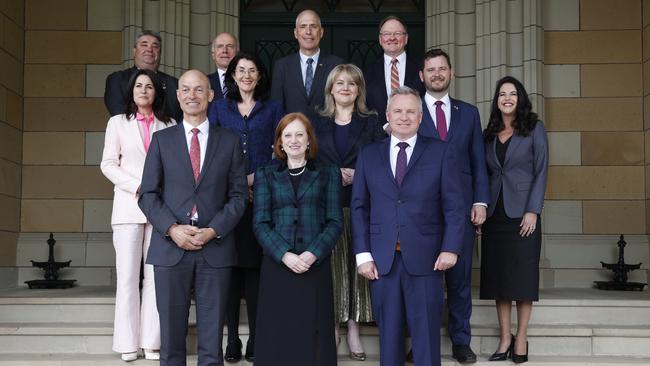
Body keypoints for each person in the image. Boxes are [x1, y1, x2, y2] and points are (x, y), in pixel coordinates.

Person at [138, 69, 248, 366]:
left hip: (215, 248)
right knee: (172, 342)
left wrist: (213, 230)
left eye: (199, 90)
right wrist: (172, 228)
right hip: (170, 248)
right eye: (185, 90)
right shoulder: (162, 141)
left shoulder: (230, 141)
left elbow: (239, 197)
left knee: (211, 342)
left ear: (211, 95)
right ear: (177, 96)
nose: (192, 95)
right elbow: (147, 194)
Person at [351, 87, 465, 366]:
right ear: (388, 115)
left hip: (427, 258)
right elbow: (359, 207)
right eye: (398, 111)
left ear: (420, 116)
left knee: (426, 334)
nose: (404, 117)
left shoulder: (441, 152)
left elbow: (454, 206)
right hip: (382, 260)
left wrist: (451, 248)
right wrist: (363, 255)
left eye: (411, 111)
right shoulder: (368, 154)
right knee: (388, 336)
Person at [208, 52, 283, 363]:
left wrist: (254, 180)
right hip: (226, 202)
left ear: (260, 76)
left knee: (254, 273)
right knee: (229, 272)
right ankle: (232, 340)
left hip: (261, 200)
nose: (247, 75)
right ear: (233, 76)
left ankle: (255, 337)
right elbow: (211, 150)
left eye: (253, 70)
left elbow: (282, 148)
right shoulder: (219, 109)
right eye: (241, 70)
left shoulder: (274, 108)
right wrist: (239, 183)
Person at [417, 48, 490, 364]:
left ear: (451, 72)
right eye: (430, 69)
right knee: (423, 282)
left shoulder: (468, 113)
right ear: (421, 76)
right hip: (421, 212)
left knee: (459, 280)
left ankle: (461, 341)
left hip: (460, 210)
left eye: (441, 69)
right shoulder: (409, 110)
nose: (436, 74)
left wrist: (480, 200)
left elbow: (478, 162)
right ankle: (421, 341)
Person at [253, 112, 343, 366]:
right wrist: (285, 254)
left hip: (314, 264)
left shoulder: (328, 172)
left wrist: (311, 254)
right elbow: (260, 222)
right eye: (287, 135)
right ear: (279, 142)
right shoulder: (265, 174)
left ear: (308, 140)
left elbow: (335, 220)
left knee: (312, 333)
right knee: (277, 333)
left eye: (299, 134)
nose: (293, 140)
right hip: (278, 264)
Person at [100, 69, 175, 362]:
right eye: (139, 86)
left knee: (156, 276)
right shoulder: (117, 122)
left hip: (159, 210)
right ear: (131, 91)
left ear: (157, 93)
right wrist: (139, 186)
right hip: (128, 207)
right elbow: (107, 164)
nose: (144, 90)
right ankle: (127, 343)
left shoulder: (168, 124)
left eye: (149, 87)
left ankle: (151, 341)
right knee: (129, 278)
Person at [312, 63, 385, 361]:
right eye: (339, 83)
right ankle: (333, 325)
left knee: (357, 267)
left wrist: (359, 173)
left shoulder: (371, 122)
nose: (345, 88)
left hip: (361, 203)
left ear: (359, 90)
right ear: (330, 89)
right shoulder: (316, 122)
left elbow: (382, 160)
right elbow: (308, 158)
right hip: (325, 204)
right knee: (330, 269)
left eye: (351, 84)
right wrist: (333, 173)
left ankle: (354, 325)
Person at [480, 76, 548, 364]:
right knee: (499, 279)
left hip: (523, 215)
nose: (506, 98)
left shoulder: (534, 128)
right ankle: (504, 337)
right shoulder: (489, 132)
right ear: (496, 101)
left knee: (522, 278)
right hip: (495, 215)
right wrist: (481, 209)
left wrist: (533, 210)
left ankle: (521, 337)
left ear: (520, 98)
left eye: (512, 94)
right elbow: (484, 173)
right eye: (501, 94)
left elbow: (542, 169)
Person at [271, 9, 343, 115]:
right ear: (296, 33)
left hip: (327, 130)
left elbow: (343, 105)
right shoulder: (282, 66)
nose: (308, 32)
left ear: (321, 32)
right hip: (293, 130)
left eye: (313, 26)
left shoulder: (336, 64)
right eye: (303, 26)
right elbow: (276, 108)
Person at [104, 30, 182, 122]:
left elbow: (180, 116)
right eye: (144, 45)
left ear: (160, 53)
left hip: (168, 133)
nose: (150, 49)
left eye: (155, 46)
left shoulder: (174, 83)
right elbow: (118, 113)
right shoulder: (117, 79)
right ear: (134, 51)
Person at [364, 15, 424, 126]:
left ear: (406, 39)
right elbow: (363, 108)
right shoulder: (366, 72)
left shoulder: (421, 69)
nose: (392, 38)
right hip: (377, 138)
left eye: (397, 33)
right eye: (386, 34)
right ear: (380, 40)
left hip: (415, 135)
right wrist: (384, 126)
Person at [208, 32, 239, 100]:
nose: (224, 50)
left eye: (230, 46)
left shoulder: (246, 81)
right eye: (220, 46)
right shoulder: (205, 81)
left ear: (237, 53)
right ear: (213, 55)